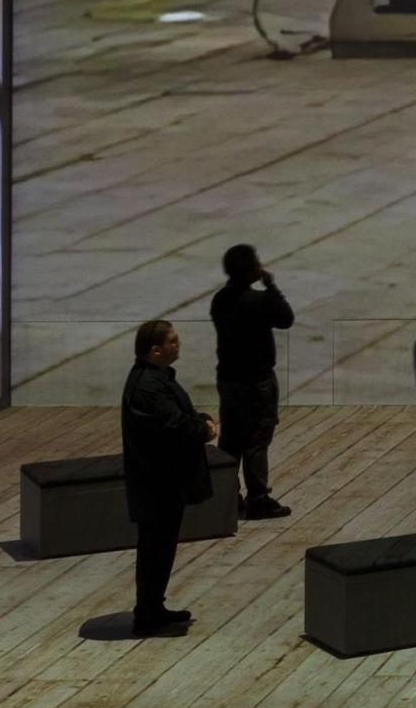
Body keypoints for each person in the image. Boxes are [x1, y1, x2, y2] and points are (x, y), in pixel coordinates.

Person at [121, 320, 215, 634]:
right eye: (173, 341)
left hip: (162, 482)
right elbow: (172, 426)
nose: (179, 345)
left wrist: (199, 420)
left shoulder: (155, 380)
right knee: (155, 548)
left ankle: (153, 607)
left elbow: (175, 417)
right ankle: (146, 614)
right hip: (157, 484)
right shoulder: (148, 387)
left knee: (160, 548)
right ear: (155, 349)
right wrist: (204, 428)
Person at [210, 245, 296, 520]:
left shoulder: (220, 300)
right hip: (257, 381)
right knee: (257, 439)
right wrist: (271, 285)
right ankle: (258, 498)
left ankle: (228, 495)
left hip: (228, 380)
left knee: (231, 439)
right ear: (252, 270)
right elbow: (286, 319)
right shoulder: (260, 301)